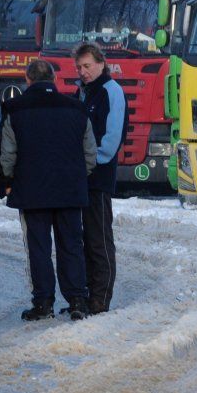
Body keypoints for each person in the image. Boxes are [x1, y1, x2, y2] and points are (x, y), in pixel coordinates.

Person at [0, 59, 98, 322]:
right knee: (72, 245)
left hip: (31, 192)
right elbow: (90, 154)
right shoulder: (77, 108)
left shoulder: (14, 109)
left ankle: (43, 303)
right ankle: (77, 300)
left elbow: (8, 154)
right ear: (53, 79)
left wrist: (9, 180)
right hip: (70, 190)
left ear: (28, 80)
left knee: (38, 247)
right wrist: (76, 177)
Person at [74, 42, 128, 315]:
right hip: (79, 177)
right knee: (81, 239)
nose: (83, 72)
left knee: (99, 238)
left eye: (87, 66)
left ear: (101, 64)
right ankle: (84, 294)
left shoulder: (112, 92)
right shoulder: (82, 92)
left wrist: (91, 162)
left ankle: (100, 297)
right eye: (79, 67)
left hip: (98, 176)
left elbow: (111, 138)